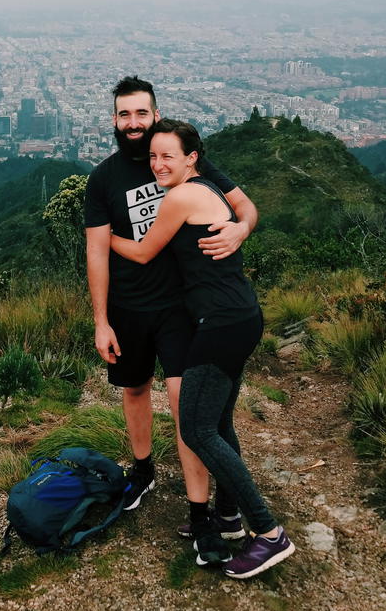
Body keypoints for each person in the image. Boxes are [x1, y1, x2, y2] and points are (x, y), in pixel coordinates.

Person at [110, 118, 295, 579]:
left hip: (221, 325)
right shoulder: (208, 187)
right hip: (240, 316)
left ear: (192, 158)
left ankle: (269, 533)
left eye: (167, 155)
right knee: (217, 420)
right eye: (153, 156)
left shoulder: (181, 196)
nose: (157, 164)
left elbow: (142, 251)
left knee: (195, 428)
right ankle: (228, 518)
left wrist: (99, 234)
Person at [84, 76, 257, 534]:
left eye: (142, 113)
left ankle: (203, 508)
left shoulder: (180, 161)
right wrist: (101, 321)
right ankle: (143, 471)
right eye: (125, 114)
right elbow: (95, 254)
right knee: (135, 389)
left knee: (187, 406)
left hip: (181, 308)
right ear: (114, 120)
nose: (133, 122)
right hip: (128, 307)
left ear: (155, 114)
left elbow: (244, 207)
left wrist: (242, 228)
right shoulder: (104, 178)